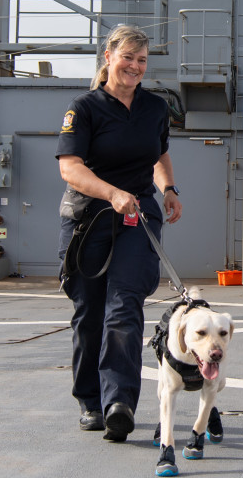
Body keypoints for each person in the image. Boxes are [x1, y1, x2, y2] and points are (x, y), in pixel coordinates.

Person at [55, 24, 183, 442]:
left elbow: (159, 153)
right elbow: (70, 168)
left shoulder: (155, 107)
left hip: (136, 216)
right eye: (128, 57)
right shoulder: (84, 108)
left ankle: (119, 403)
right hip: (90, 218)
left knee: (124, 305)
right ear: (108, 57)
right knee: (90, 312)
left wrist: (168, 189)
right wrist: (112, 193)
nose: (135, 66)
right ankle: (91, 400)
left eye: (142, 60)